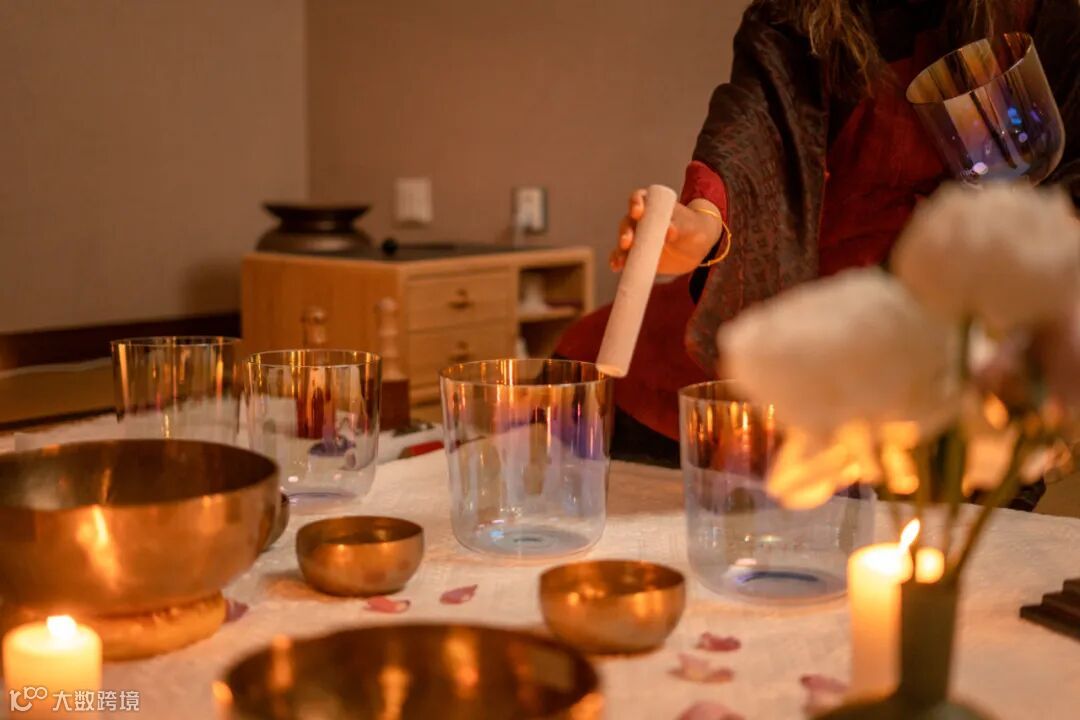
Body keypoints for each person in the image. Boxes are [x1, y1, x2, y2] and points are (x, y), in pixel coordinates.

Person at [557, 0, 1079, 499]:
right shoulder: (792, 19)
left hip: (973, 309)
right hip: (815, 290)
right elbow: (750, 132)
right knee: (582, 363)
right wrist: (702, 225)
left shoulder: (1042, 18)